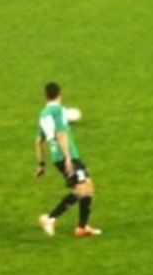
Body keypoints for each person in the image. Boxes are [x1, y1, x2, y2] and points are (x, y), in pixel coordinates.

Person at [34, 82, 103, 237]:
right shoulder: (58, 110)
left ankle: (82, 227)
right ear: (61, 93)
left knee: (88, 186)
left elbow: (39, 141)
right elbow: (61, 134)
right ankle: (50, 218)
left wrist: (41, 164)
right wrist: (67, 158)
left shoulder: (43, 114)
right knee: (82, 189)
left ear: (45, 96)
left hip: (58, 157)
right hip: (67, 156)